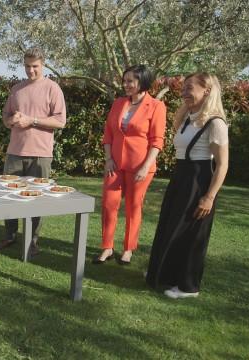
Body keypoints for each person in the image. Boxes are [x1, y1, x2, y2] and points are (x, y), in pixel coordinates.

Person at [146, 73, 229, 299]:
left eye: (189, 88)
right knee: (170, 226)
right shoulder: (187, 118)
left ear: (207, 91)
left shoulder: (216, 123)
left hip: (198, 180)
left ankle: (188, 287)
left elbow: (222, 165)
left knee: (191, 233)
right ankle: (166, 275)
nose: (183, 92)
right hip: (180, 177)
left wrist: (209, 197)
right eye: (183, 88)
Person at [0, 48, 66, 256]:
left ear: (43, 65)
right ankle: (10, 235)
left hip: (41, 154)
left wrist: (31, 120)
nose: (30, 70)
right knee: (9, 194)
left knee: (36, 198)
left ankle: (32, 241)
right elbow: (6, 118)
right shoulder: (16, 89)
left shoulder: (52, 88)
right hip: (15, 152)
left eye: (35, 66)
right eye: (27, 66)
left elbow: (60, 121)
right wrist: (10, 121)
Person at [94, 65, 166, 265]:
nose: (125, 84)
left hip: (140, 167)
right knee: (109, 205)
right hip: (114, 164)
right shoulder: (118, 103)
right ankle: (107, 247)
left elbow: (157, 141)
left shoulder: (156, 106)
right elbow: (108, 133)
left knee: (133, 207)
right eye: (124, 81)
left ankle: (128, 249)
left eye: (130, 81)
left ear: (142, 82)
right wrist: (108, 158)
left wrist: (145, 166)